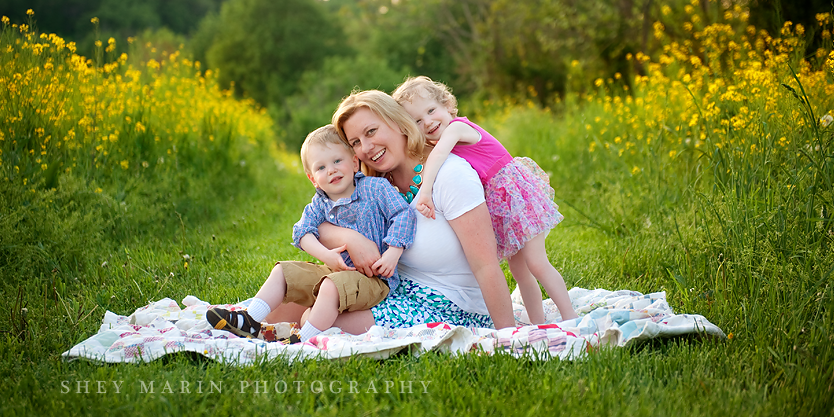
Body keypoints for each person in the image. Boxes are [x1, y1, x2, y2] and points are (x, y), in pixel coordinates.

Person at [314, 89, 516, 333]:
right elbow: (316, 222)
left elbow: (486, 266)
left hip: (452, 306)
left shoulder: (450, 174)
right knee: (298, 299)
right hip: (393, 291)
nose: (366, 147)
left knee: (317, 321)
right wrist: (350, 238)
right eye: (356, 142)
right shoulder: (375, 186)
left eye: (371, 132)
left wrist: (508, 335)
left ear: (399, 123)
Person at [392, 76, 578, 324]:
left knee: (537, 262)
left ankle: (570, 316)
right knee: (519, 271)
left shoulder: (456, 128)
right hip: (503, 206)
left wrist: (424, 191)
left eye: (431, 110)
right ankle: (538, 323)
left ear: (447, 105)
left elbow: (436, 155)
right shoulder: (440, 136)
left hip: (517, 199)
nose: (427, 122)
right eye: (417, 120)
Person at [206, 125, 415, 342]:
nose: (331, 170)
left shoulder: (375, 188)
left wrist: (393, 252)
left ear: (354, 162)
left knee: (330, 286)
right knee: (283, 271)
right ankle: (249, 320)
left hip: (374, 280)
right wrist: (326, 256)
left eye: (337, 161)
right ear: (312, 178)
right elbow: (302, 232)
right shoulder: (320, 203)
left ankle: (302, 340)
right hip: (332, 270)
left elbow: (403, 214)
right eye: (321, 167)